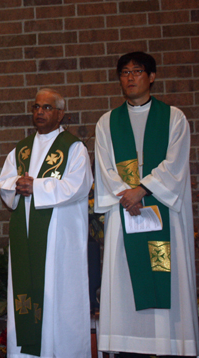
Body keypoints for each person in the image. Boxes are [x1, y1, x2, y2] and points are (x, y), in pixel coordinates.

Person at [94, 51, 199, 357]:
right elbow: (104, 166)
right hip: (123, 210)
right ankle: (127, 344)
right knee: (124, 277)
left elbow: (175, 163)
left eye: (137, 71)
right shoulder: (107, 122)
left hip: (161, 213)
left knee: (165, 271)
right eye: (124, 73)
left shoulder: (174, 118)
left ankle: (170, 345)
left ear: (152, 77)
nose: (130, 78)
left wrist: (141, 190)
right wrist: (125, 194)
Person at [0, 88, 93, 358]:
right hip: (27, 240)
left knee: (60, 299)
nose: (40, 112)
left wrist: (37, 186)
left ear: (61, 113)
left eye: (47, 107)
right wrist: (17, 185)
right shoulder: (21, 149)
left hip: (59, 244)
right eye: (36, 107)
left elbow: (79, 185)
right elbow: (4, 182)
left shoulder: (74, 148)